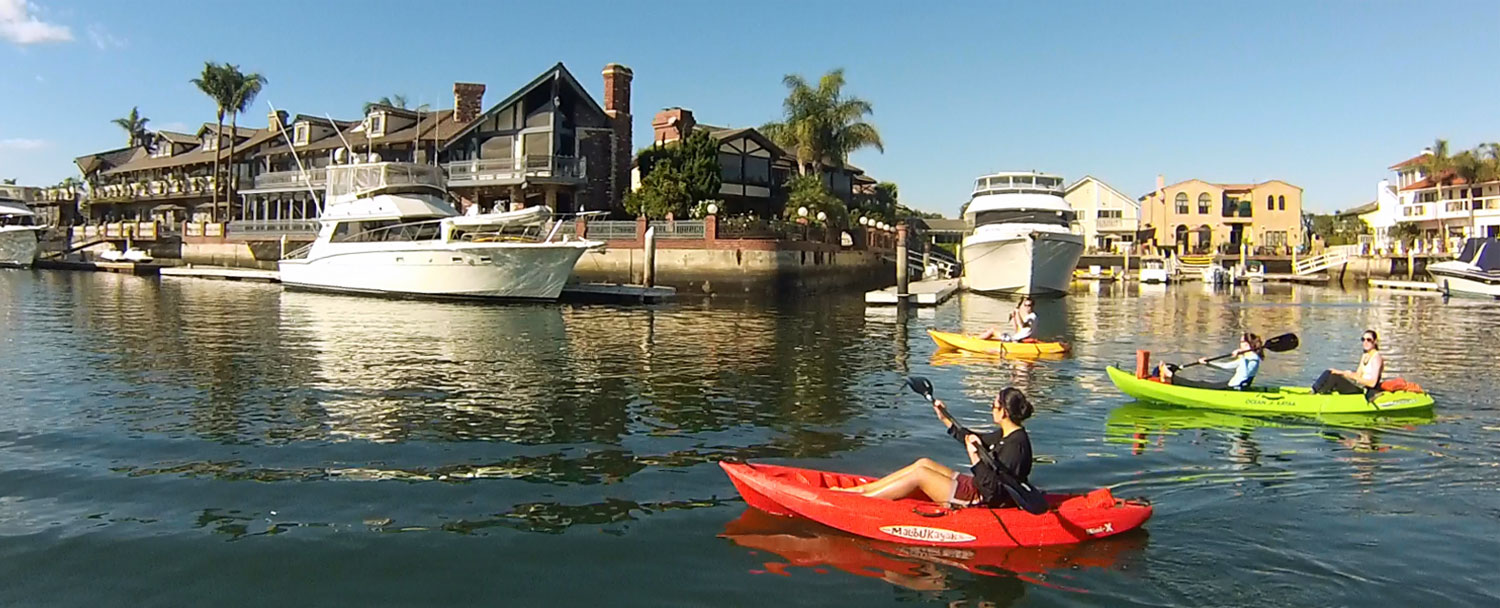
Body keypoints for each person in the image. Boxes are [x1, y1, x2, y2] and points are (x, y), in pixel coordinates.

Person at [832, 388, 1034, 507]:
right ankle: (862, 490)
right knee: (923, 463)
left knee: (921, 475)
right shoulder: (1005, 433)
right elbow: (971, 438)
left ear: (1004, 412)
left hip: (981, 498)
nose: (992, 409)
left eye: (994, 405)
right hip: (977, 484)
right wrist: (945, 418)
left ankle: (862, 503)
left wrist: (975, 459)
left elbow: (993, 493)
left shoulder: (1017, 446)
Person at [1157, 332, 1264, 390]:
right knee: (1203, 383)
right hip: (1232, 385)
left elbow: (1245, 375)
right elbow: (1226, 366)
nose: (1239, 344)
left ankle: (1170, 376)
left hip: (1235, 388)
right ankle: (1170, 376)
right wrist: (1208, 364)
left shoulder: (1253, 360)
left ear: (1246, 344)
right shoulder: (1247, 357)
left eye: (1241, 342)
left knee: (1200, 384)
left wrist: (1241, 357)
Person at [1312, 329, 1384, 395]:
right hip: (1358, 385)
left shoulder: (1376, 358)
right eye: (1363, 339)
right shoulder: (1365, 355)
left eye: (1368, 340)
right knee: (1330, 372)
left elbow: (1372, 383)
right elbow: (1358, 374)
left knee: (1334, 378)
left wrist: (1352, 376)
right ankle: (1314, 390)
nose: (1365, 342)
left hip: (1365, 390)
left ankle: (1320, 395)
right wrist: (1341, 372)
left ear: (1375, 341)